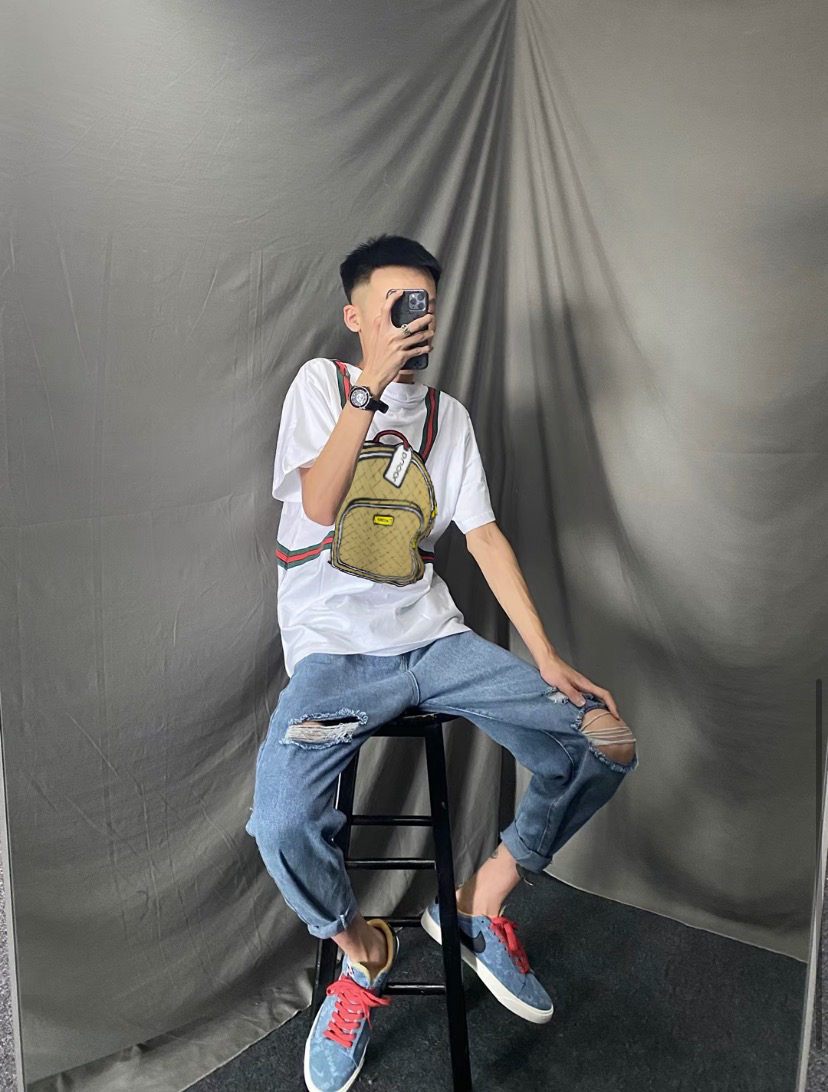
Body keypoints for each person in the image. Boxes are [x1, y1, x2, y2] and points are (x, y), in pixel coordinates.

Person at [245, 234, 639, 1092]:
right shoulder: (322, 386)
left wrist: (546, 656)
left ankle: (477, 902)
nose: (411, 319)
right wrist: (370, 388)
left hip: (436, 643)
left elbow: (483, 536)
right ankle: (362, 955)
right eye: (393, 304)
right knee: (281, 822)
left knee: (604, 740)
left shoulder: (445, 418)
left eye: (421, 303)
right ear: (356, 316)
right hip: (336, 659)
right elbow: (319, 504)